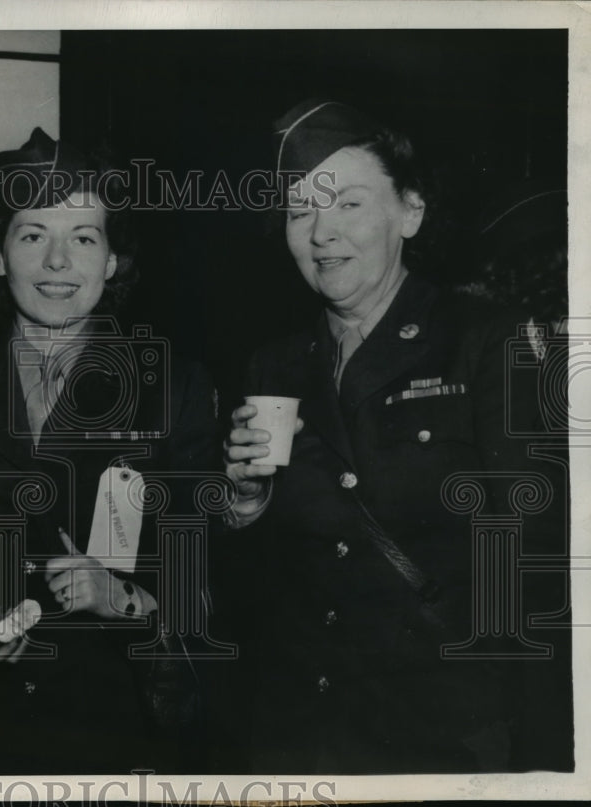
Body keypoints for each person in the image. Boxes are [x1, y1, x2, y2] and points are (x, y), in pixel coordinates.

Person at [221, 100, 572, 773]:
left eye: (348, 204)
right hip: (297, 729)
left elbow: (535, 566)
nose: (322, 233)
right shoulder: (274, 364)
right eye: (301, 212)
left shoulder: (485, 340)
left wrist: (542, 757)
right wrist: (244, 503)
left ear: (409, 212)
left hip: (439, 732)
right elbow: (257, 593)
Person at [0, 128, 223, 773]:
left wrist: (121, 599)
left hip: (114, 727)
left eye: (83, 238)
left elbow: (210, 575)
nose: (58, 263)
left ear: (112, 262)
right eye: (32, 236)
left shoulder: (173, 387)